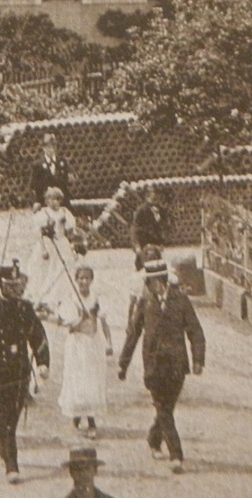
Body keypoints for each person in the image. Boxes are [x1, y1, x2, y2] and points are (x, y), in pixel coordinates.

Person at [117, 259, 205, 474]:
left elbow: (195, 331)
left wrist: (198, 359)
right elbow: (133, 334)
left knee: (166, 407)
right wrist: (123, 364)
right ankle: (176, 455)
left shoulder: (181, 301)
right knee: (163, 407)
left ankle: (153, 438)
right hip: (154, 365)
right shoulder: (144, 303)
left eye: (148, 281)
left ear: (158, 281)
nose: (146, 285)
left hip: (176, 365)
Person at [0, 262, 50, 485]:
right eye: (9, 285)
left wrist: (43, 363)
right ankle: (11, 464)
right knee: (3, 417)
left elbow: (38, 336)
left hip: (21, 370)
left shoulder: (25, 308)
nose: (14, 289)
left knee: (12, 418)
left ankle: (6, 447)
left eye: (17, 285)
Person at [52, 265, 112, 439]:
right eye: (81, 278)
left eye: (87, 278)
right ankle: (77, 415)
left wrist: (109, 342)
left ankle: (92, 420)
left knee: (93, 379)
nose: (84, 281)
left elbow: (103, 322)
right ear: (76, 280)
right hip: (77, 344)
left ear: (91, 280)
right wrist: (81, 317)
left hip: (93, 344)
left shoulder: (96, 298)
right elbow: (67, 324)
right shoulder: (71, 299)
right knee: (78, 379)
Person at [28, 133, 72, 210]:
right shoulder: (38, 165)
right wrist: (35, 201)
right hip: (45, 203)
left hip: (62, 203)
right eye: (48, 147)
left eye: (54, 146)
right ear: (43, 148)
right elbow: (33, 186)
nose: (52, 149)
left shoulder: (62, 162)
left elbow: (67, 182)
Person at [130, 187, 170, 271]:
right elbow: (135, 228)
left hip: (155, 241)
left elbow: (163, 227)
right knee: (143, 264)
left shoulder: (161, 210)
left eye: (157, 198)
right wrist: (137, 245)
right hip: (143, 241)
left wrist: (162, 242)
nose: (155, 200)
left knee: (158, 263)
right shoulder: (141, 210)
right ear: (147, 198)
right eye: (153, 198)